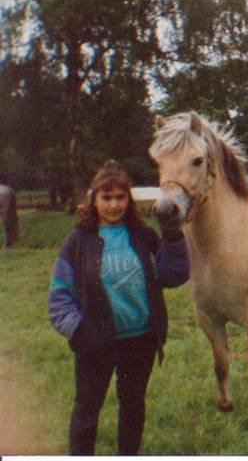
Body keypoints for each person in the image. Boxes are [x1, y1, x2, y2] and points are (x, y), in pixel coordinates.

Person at [48, 160, 190, 455]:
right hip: (93, 342)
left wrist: (173, 237)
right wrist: (79, 330)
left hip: (140, 340)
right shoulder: (77, 241)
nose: (114, 205)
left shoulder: (143, 236)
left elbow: (172, 276)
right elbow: (59, 297)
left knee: (133, 406)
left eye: (120, 197)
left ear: (129, 199)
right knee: (87, 410)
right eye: (106, 198)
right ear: (94, 199)